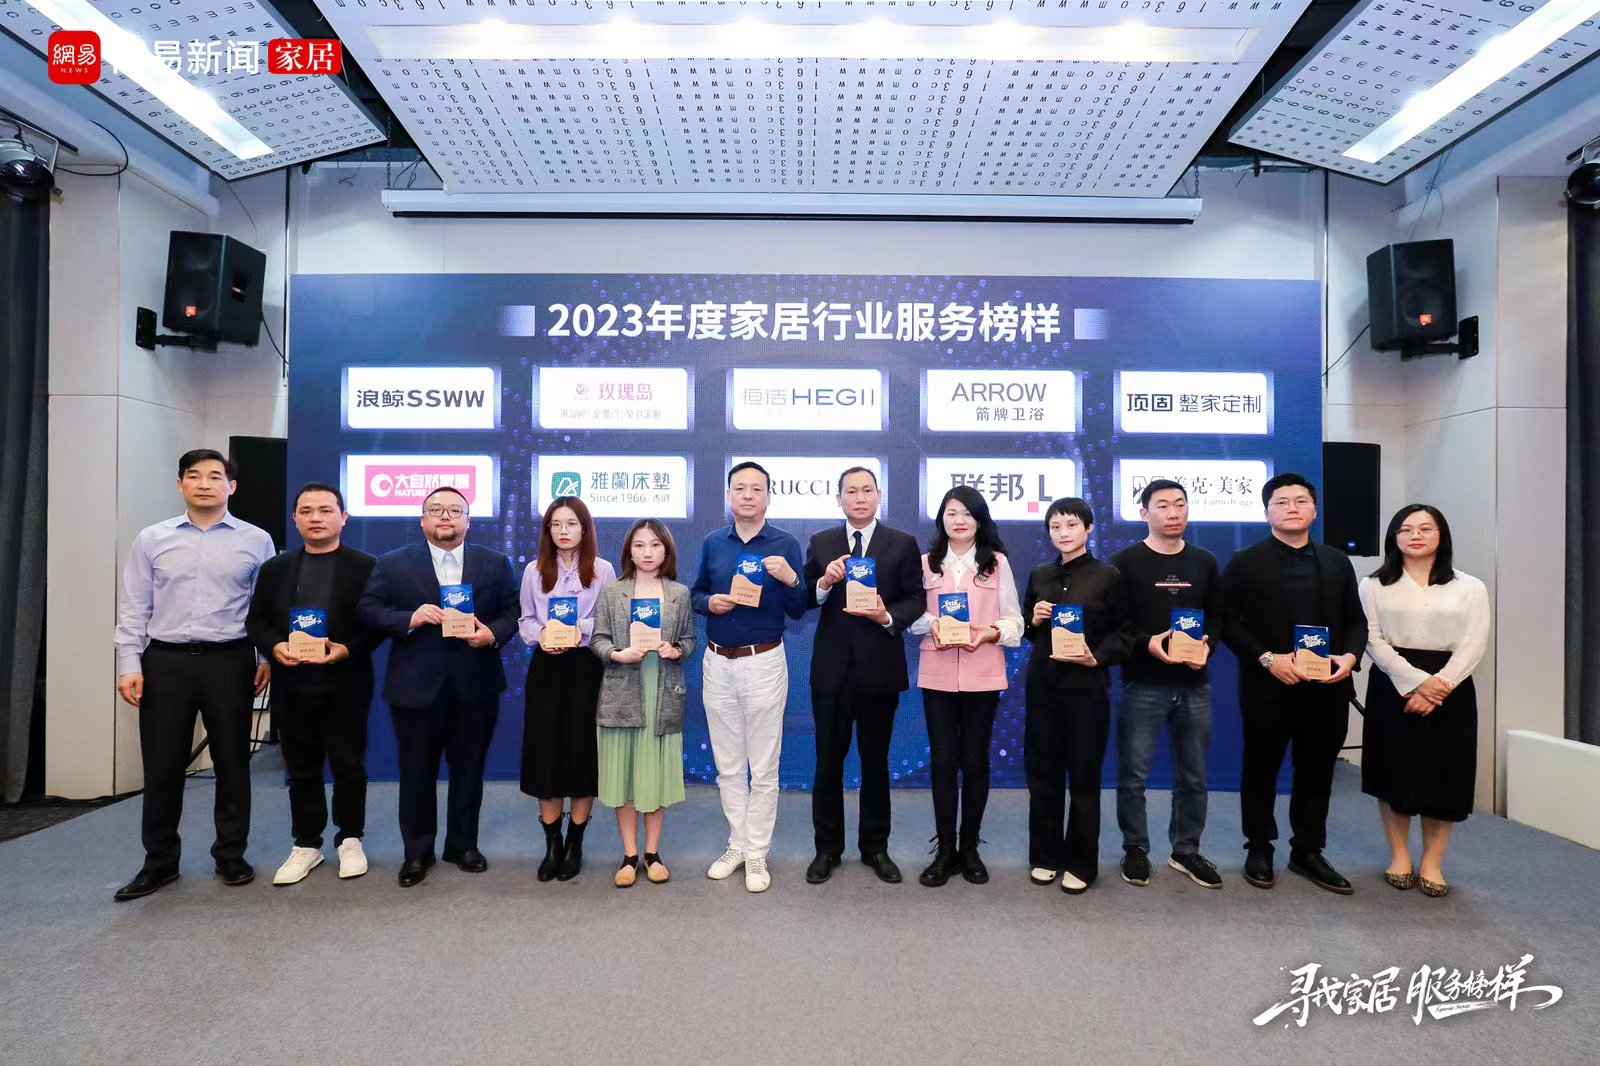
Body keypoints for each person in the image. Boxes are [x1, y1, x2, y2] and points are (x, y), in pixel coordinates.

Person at [112, 449, 274, 901]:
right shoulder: (152, 539)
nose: (205, 484)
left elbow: (263, 606)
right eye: (195, 476)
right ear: (181, 484)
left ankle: (231, 855)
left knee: (233, 763)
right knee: (163, 766)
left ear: (231, 487)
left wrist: (265, 657)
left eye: (215, 476)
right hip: (165, 663)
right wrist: (129, 663)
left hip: (230, 661)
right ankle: (160, 862)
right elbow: (134, 606)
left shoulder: (256, 539)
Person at [357, 486, 519, 887]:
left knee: (470, 770)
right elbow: (368, 609)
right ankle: (417, 852)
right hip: (415, 687)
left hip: (475, 686)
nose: (445, 516)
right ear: (422, 520)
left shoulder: (494, 562)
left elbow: (513, 610)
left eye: (454, 510)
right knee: (416, 771)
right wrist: (408, 619)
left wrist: (492, 635)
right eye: (435, 510)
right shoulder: (393, 563)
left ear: (468, 521)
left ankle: (463, 846)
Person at [1219, 473, 1368, 894]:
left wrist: (1350, 657)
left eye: (1300, 501)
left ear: (1314, 510)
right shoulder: (1245, 561)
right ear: (1267, 512)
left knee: (1317, 772)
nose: (1292, 508)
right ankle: (1258, 847)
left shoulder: (1337, 561)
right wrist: (1268, 659)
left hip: (1327, 688)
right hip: (1268, 686)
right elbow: (1227, 622)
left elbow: (1356, 621)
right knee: (1261, 769)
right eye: (1281, 502)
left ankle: (1308, 850)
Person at [246, 482, 381, 885]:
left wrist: (347, 649)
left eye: (325, 510)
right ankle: (306, 843)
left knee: (348, 764)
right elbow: (256, 621)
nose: (316, 518)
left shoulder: (366, 566)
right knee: (301, 766)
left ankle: (350, 838)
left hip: (346, 682)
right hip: (293, 683)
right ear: (295, 519)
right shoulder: (276, 568)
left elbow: (377, 624)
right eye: (306, 511)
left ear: (344, 517)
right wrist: (274, 646)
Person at [802, 466, 924, 885]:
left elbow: (916, 599)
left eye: (866, 490)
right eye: (851, 491)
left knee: (876, 763)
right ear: (838, 498)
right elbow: (804, 598)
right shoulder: (822, 542)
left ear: (878, 495)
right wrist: (824, 582)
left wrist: (886, 615)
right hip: (832, 673)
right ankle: (827, 849)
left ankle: (875, 848)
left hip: (879, 672)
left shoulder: (902, 543)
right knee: (827, 764)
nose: (859, 498)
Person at [690, 461, 808, 893]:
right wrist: (710, 604)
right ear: (728, 495)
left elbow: (799, 608)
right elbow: (696, 592)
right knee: (727, 765)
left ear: (768, 497)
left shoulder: (785, 543)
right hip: (717, 660)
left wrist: (790, 578)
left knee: (763, 766)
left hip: (763, 662)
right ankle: (737, 844)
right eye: (739, 488)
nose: (747, 495)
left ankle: (757, 851)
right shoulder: (712, 542)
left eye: (756, 488)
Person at [1359, 505, 1489, 898]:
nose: (1415, 535)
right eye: (1406, 529)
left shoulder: (1470, 586)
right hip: (1392, 682)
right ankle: (1399, 856)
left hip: (1451, 685)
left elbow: (1474, 642)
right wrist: (1415, 683)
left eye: (1425, 528)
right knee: (1393, 772)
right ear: (1394, 537)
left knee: (1444, 774)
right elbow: (1372, 639)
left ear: (1441, 535)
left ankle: (1433, 862)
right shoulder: (1373, 584)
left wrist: (1439, 686)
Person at [1109, 479, 1225, 890]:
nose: (1173, 512)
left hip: (1195, 684)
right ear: (1145, 513)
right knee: (1133, 775)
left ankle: (1186, 850)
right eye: (1162, 505)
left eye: (1180, 504)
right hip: (1143, 683)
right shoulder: (1124, 562)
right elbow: (1117, 623)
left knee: (1193, 776)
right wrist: (1148, 644)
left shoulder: (1205, 561)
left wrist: (1207, 644)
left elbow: (1218, 615)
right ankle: (1135, 849)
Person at [911, 485, 1023, 888]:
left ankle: (970, 847)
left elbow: (1015, 622)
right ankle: (945, 850)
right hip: (938, 673)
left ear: (980, 521)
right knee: (943, 762)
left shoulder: (996, 563)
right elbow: (911, 617)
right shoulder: (926, 564)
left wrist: (989, 632)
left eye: (967, 514)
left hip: (983, 674)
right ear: (941, 518)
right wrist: (933, 624)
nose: (959, 520)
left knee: (975, 762)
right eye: (951, 513)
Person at [1022, 498, 1130, 894]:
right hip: (1044, 688)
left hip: (1086, 690)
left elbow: (1126, 633)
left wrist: (1096, 657)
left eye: (1071, 525)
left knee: (1084, 777)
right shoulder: (1039, 574)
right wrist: (1033, 620)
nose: (1063, 533)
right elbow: (1028, 630)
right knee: (1043, 775)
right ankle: (1045, 855)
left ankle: (1082, 862)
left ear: (1088, 528)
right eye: (1055, 526)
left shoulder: (1109, 576)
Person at [592, 520, 696, 888]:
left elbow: (689, 639)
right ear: (629, 551)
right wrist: (617, 654)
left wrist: (676, 649)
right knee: (623, 777)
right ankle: (629, 855)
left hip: (662, 690)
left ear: (666, 550)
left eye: (655, 545)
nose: (647, 552)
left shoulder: (679, 593)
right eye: (639, 545)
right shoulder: (612, 591)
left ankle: (652, 854)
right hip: (623, 691)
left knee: (655, 777)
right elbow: (598, 639)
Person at [518, 496, 615, 883]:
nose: (563, 531)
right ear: (547, 530)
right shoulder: (533, 570)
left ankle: (575, 843)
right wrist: (542, 633)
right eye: (556, 524)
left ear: (585, 529)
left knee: (580, 754)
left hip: (585, 668)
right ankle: (552, 844)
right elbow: (525, 619)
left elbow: (609, 620)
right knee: (546, 754)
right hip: (546, 669)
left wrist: (580, 630)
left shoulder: (603, 570)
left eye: (571, 524)